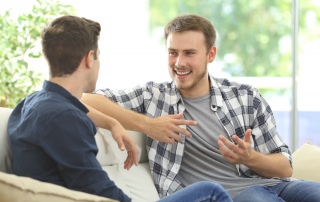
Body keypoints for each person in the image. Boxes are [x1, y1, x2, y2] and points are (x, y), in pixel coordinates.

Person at [81, 14, 320, 201]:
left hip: (280, 186)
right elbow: (85, 99)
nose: (179, 63)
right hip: (234, 197)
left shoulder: (246, 97)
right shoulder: (153, 96)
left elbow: (285, 167)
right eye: (172, 53)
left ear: (211, 54)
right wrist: (147, 125)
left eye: (189, 53)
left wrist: (249, 157)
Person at [7, 15, 233, 202]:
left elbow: (71, 105)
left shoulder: (32, 102)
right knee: (210, 192)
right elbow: (97, 189)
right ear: (89, 59)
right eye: (99, 58)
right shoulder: (64, 119)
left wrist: (113, 122)